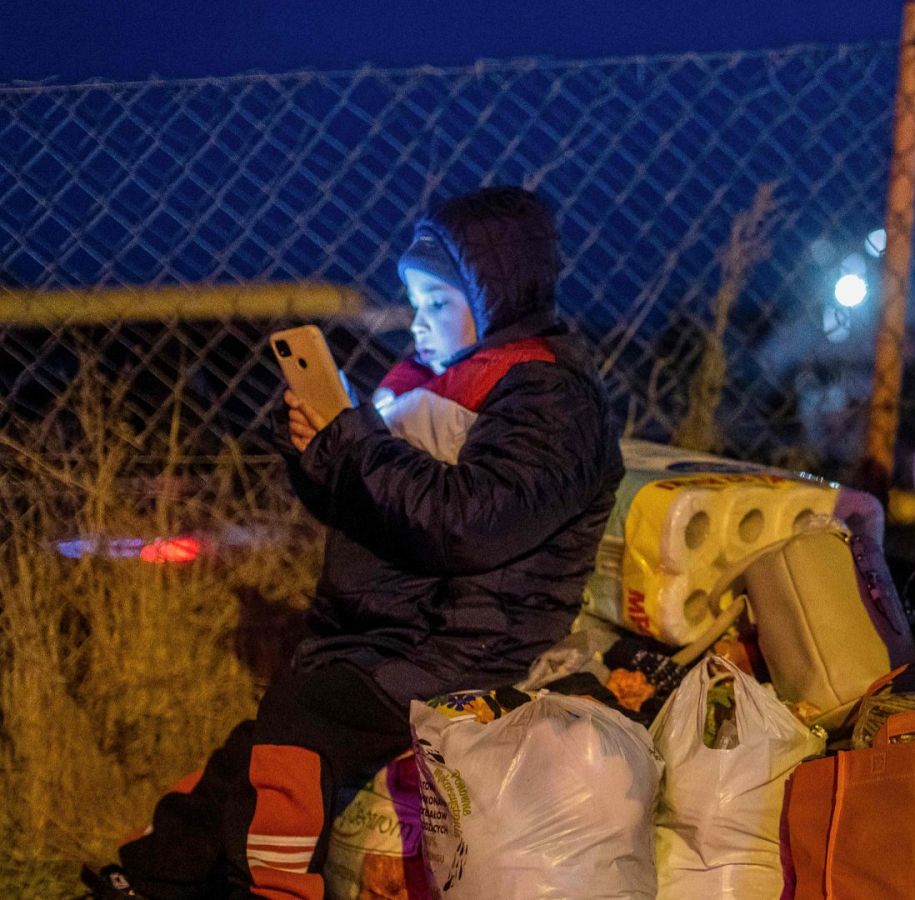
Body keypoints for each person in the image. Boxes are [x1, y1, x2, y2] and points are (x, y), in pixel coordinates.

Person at [82, 185, 624, 899]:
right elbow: (372, 497)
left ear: (496, 298)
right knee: (258, 743)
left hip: (474, 642)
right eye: (415, 304)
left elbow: (468, 523)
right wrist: (318, 450)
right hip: (398, 630)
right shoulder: (431, 381)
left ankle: (269, 888)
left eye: (437, 305)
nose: (419, 325)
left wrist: (354, 444)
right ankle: (157, 876)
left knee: (300, 725)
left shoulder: (548, 400)